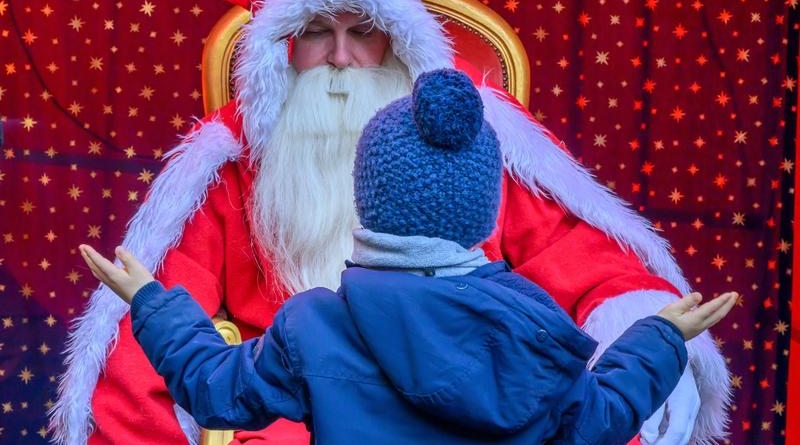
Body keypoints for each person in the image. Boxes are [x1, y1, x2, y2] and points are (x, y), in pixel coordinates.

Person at [51, 0, 730, 445]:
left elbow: (585, 264)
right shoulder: (236, 168)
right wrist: (659, 342)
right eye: (316, 31)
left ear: (395, 44)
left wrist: (640, 322)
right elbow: (159, 353)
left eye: (362, 32)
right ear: (282, 47)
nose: (341, 56)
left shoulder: (472, 147)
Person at [78, 69, 737, 444]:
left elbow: (215, 387)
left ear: (366, 200)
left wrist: (151, 304)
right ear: (484, 208)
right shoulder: (533, 325)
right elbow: (601, 415)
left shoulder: (313, 325)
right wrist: (661, 335)